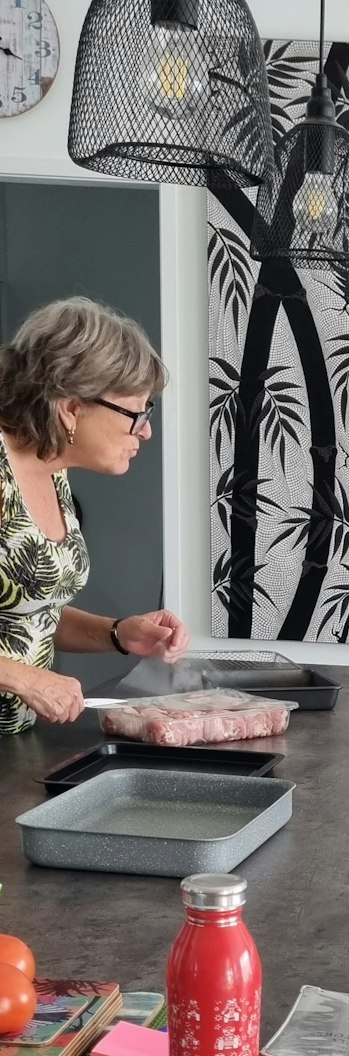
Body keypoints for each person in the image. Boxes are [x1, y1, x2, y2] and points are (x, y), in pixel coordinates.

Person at [0, 297, 189, 735]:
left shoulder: (53, 468)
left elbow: (28, 613)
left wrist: (119, 634)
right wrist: (24, 678)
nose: (146, 430)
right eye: (136, 413)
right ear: (71, 407)